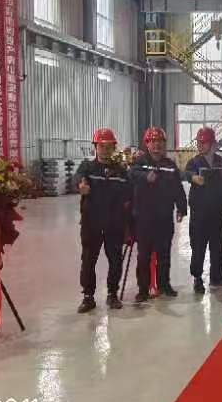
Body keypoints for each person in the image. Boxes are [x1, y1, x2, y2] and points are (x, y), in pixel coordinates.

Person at [74, 128, 132, 313]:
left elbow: (130, 195)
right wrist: (80, 185)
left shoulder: (121, 171)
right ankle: (88, 297)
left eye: (109, 147)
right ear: (95, 147)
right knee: (88, 260)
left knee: (115, 260)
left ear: (114, 148)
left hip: (115, 224)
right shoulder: (87, 168)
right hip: (91, 223)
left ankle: (112, 294)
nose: (105, 150)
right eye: (101, 146)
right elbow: (77, 178)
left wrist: (130, 223)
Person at [129, 127, 187, 302]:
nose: (157, 145)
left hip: (164, 217)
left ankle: (164, 285)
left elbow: (178, 188)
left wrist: (181, 208)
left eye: (160, 142)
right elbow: (131, 174)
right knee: (144, 255)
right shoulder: (139, 162)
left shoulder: (170, 165)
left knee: (164, 254)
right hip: (144, 218)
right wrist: (145, 176)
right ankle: (143, 289)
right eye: (153, 142)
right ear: (147, 144)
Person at [184, 127, 222, 293]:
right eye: (199, 142)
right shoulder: (194, 162)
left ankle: (216, 277)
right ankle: (197, 278)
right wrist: (194, 177)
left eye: (204, 142)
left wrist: (216, 185)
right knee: (198, 246)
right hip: (199, 215)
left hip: (217, 214)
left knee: (217, 246)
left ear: (213, 144)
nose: (200, 145)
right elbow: (186, 173)